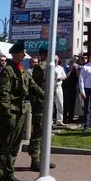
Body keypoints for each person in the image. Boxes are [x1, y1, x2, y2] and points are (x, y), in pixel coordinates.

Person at [0, 40, 44, 181]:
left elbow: (33, 86)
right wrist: (7, 115)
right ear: (15, 54)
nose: (24, 55)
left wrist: (46, 96)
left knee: (14, 146)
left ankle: (9, 174)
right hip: (10, 114)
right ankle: (1, 179)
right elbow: (3, 94)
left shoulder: (21, 71)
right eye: (22, 53)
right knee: (5, 146)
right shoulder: (8, 71)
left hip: (20, 112)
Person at [28, 44, 56, 172]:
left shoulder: (50, 66)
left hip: (48, 103)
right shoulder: (40, 67)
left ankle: (43, 159)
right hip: (41, 103)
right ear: (45, 54)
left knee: (45, 132)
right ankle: (35, 160)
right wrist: (44, 95)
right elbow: (34, 85)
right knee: (38, 132)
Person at [62, 56, 79, 123]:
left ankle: (70, 118)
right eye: (72, 61)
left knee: (72, 103)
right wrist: (71, 70)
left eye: (74, 62)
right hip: (66, 87)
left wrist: (76, 69)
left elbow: (79, 76)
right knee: (66, 103)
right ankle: (64, 118)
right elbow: (65, 76)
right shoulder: (66, 67)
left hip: (73, 87)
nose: (73, 63)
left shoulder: (78, 67)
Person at [53, 55, 66, 126]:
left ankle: (59, 120)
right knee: (51, 105)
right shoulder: (49, 67)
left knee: (60, 103)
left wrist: (60, 78)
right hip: (51, 87)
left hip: (58, 86)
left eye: (56, 60)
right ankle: (50, 120)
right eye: (54, 60)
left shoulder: (60, 68)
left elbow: (65, 76)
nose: (56, 61)